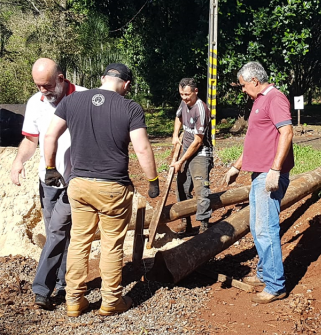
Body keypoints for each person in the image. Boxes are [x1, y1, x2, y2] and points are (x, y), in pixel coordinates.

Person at [43, 63, 159, 317]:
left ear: (103, 78)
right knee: (111, 245)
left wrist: (51, 168)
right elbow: (142, 149)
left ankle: (74, 300)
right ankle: (110, 301)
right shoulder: (130, 107)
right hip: (113, 188)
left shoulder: (72, 101)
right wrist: (152, 180)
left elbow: (50, 136)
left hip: (80, 184)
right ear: (126, 84)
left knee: (79, 242)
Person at [10, 58, 86, 310]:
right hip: (50, 181)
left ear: (61, 79)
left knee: (60, 233)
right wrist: (19, 161)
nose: (43, 91)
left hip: (78, 180)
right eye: (38, 85)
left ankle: (42, 288)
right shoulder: (35, 103)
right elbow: (31, 140)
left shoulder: (84, 98)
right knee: (57, 233)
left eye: (48, 85)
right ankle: (62, 284)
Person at [224, 61, 294, 304]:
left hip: (268, 174)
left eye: (243, 85)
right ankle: (265, 273)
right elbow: (256, 139)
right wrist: (237, 165)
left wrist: (275, 169)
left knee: (266, 228)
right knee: (257, 226)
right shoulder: (259, 101)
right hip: (259, 173)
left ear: (254, 80)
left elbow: (287, 132)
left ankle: (276, 285)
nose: (243, 89)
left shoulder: (275, 98)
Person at [171, 78, 213, 234]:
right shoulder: (184, 103)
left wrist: (180, 161)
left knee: (201, 189)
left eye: (187, 94)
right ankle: (185, 221)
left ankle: (203, 225)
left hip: (200, 153)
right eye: (181, 94)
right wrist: (175, 135)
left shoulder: (201, 110)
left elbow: (198, 142)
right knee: (181, 187)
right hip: (186, 150)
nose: (184, 97)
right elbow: (178, 116)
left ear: (196, 92)